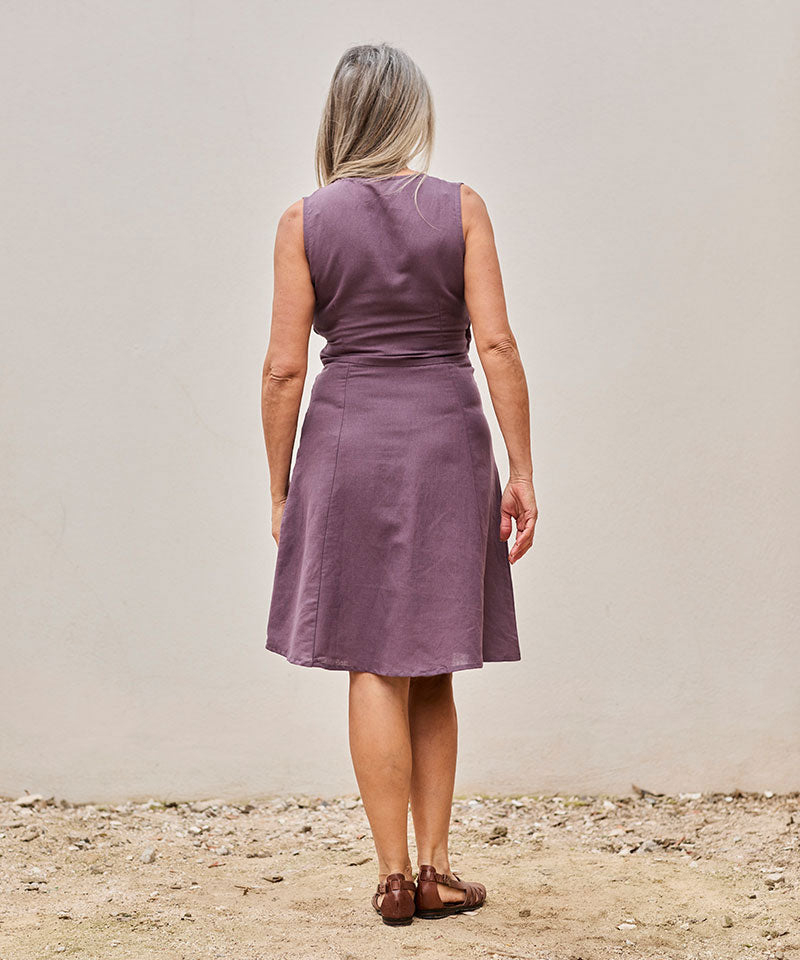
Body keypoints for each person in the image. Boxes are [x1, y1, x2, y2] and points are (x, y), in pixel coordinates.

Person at [261, 42, 538, 926]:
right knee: (435, 657)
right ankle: (437, 867)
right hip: (446, 442)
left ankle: (389, 876)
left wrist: (280, 488)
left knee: (372, 661)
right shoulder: (461, 208)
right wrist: (522, 467)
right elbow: (496, 345)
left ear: (338, 118)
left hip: (346, 443)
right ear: (412, 114)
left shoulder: (304, 220)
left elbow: (282, 370)